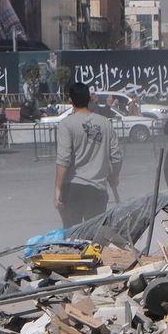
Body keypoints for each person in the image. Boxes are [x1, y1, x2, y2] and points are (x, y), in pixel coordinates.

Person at [54, 82, 122, 228]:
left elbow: (63, 159)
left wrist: (58, 188)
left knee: (73, 234)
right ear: (89, 99)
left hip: (72, 189)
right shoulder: (105, 123)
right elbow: (116, 156)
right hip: (97, 189)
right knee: (94, 234)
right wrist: (114, 176)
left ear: (70, 100)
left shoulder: (66, 124)